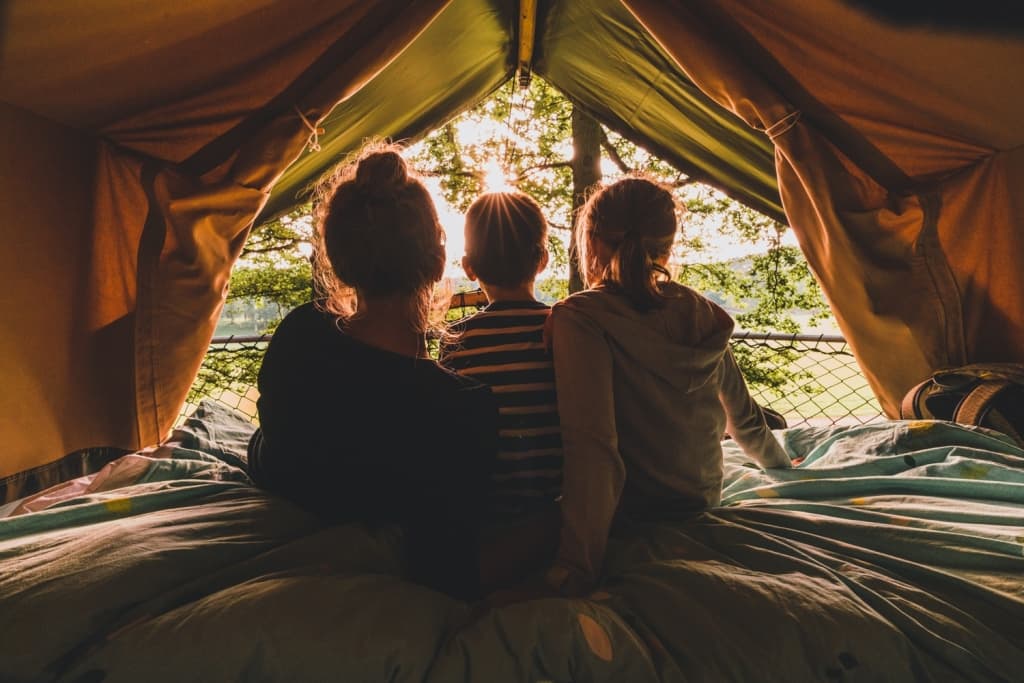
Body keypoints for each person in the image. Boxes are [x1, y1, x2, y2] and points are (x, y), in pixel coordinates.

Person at [246, 144, 497, 601]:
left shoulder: (299, 338)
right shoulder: (462, 410)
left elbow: (269, 454)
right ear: (437, 262)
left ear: (341, 262)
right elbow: (451, 567)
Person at [543, 176, 792, 597]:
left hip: (633, 517)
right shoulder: (701, 313)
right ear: (668, 248)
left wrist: (576, 565)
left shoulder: (582, 319)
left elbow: (594, 449)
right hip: (702, 501)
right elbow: (746, 421)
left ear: (593, 242)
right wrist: (783, 467)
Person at [439, 192, 562, 522]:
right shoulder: (563, 328)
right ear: (543, 260)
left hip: (485, 509)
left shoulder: (455, 339)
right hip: (556, 505)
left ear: (469, 267)